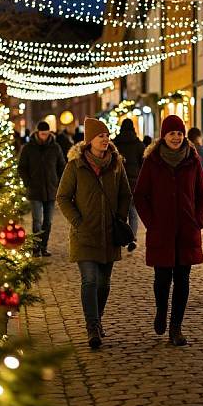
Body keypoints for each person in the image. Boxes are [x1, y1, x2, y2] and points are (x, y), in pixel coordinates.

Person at [134, 115, 203, 346]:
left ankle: (176, 327)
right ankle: (160, 311)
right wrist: (151, 222)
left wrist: (198, 220)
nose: (176, 137)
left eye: (179, 133)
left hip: (187, 230)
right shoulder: (153, 161)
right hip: (162, 231)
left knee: (183, 279)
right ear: (163, 136)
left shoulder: (193, 160)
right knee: (162, 278)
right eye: (171, 133)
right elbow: (140, 195)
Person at [56, 117, 131, 349]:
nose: (106, 139)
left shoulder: (116, 164)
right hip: (85, 234)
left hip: (109, 234)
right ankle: (92, 327)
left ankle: (97, 320)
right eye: (101, 136)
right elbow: (62, 197)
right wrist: (78, 221)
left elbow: (125, 194)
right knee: (89, 280)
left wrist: (119, 217)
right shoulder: (75, 166)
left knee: (104, 284)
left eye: (107, 135)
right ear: (89, 141)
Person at [18, 121, 66, 257]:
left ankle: (44, 247)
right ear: (37, 133)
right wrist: (28, 182)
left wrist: (58, 182)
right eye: (42, 134)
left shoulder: (55, 148)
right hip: (35, 190)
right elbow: (22, 167)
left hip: (51, 190)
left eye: (46, 134)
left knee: (48, 221)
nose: (44, 136)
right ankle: (35, 248)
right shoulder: (28, 148)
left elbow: (62, 166)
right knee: (37, 221)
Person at [113, 118, 145, 246]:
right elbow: (144, 164)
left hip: (117, 182)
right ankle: (132, 237)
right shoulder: (138, 144)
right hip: (134, 182)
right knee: (133, 212)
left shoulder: (115, 143)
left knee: (120, 211)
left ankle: (121, 236)